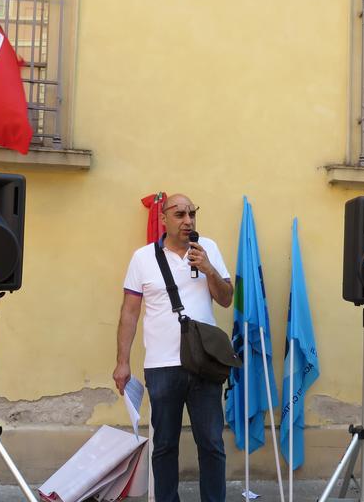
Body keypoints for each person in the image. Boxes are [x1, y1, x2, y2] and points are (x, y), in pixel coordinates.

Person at [112, 194, 233, 502]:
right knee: (164, 445)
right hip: (161, 366)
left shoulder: (208, 248)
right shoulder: (143, 258)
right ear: (163, 219)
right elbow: (130, 312)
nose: (188, 220)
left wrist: (208, 269)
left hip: (205, 363)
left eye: (192, 213)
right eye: (179, 214)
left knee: (212, 444)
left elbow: (226, 298)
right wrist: (123, 362)